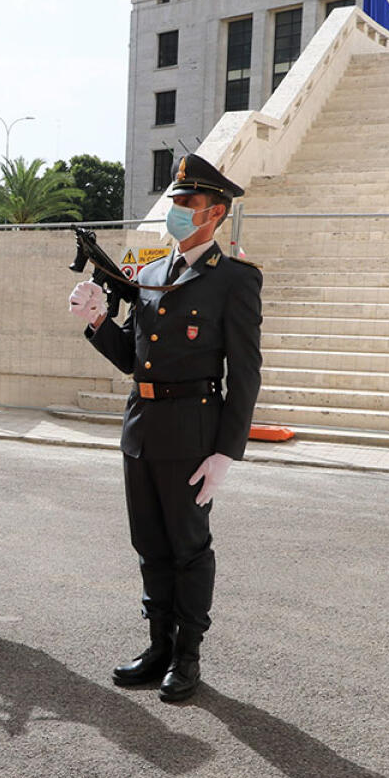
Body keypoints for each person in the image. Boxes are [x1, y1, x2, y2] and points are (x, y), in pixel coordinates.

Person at [69, 153, 263, 702]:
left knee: (188, 547)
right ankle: (158, 645)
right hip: (142, 428)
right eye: (174, 202)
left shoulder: (234, 281)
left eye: (187, 204)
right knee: (149, 544)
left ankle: (187, 655)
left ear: (215, 213)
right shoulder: (151, 274)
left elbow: (245, 372)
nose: (176, 211)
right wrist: (98, 321)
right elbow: (134, 360)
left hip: (193, 432)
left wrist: (227, 451)